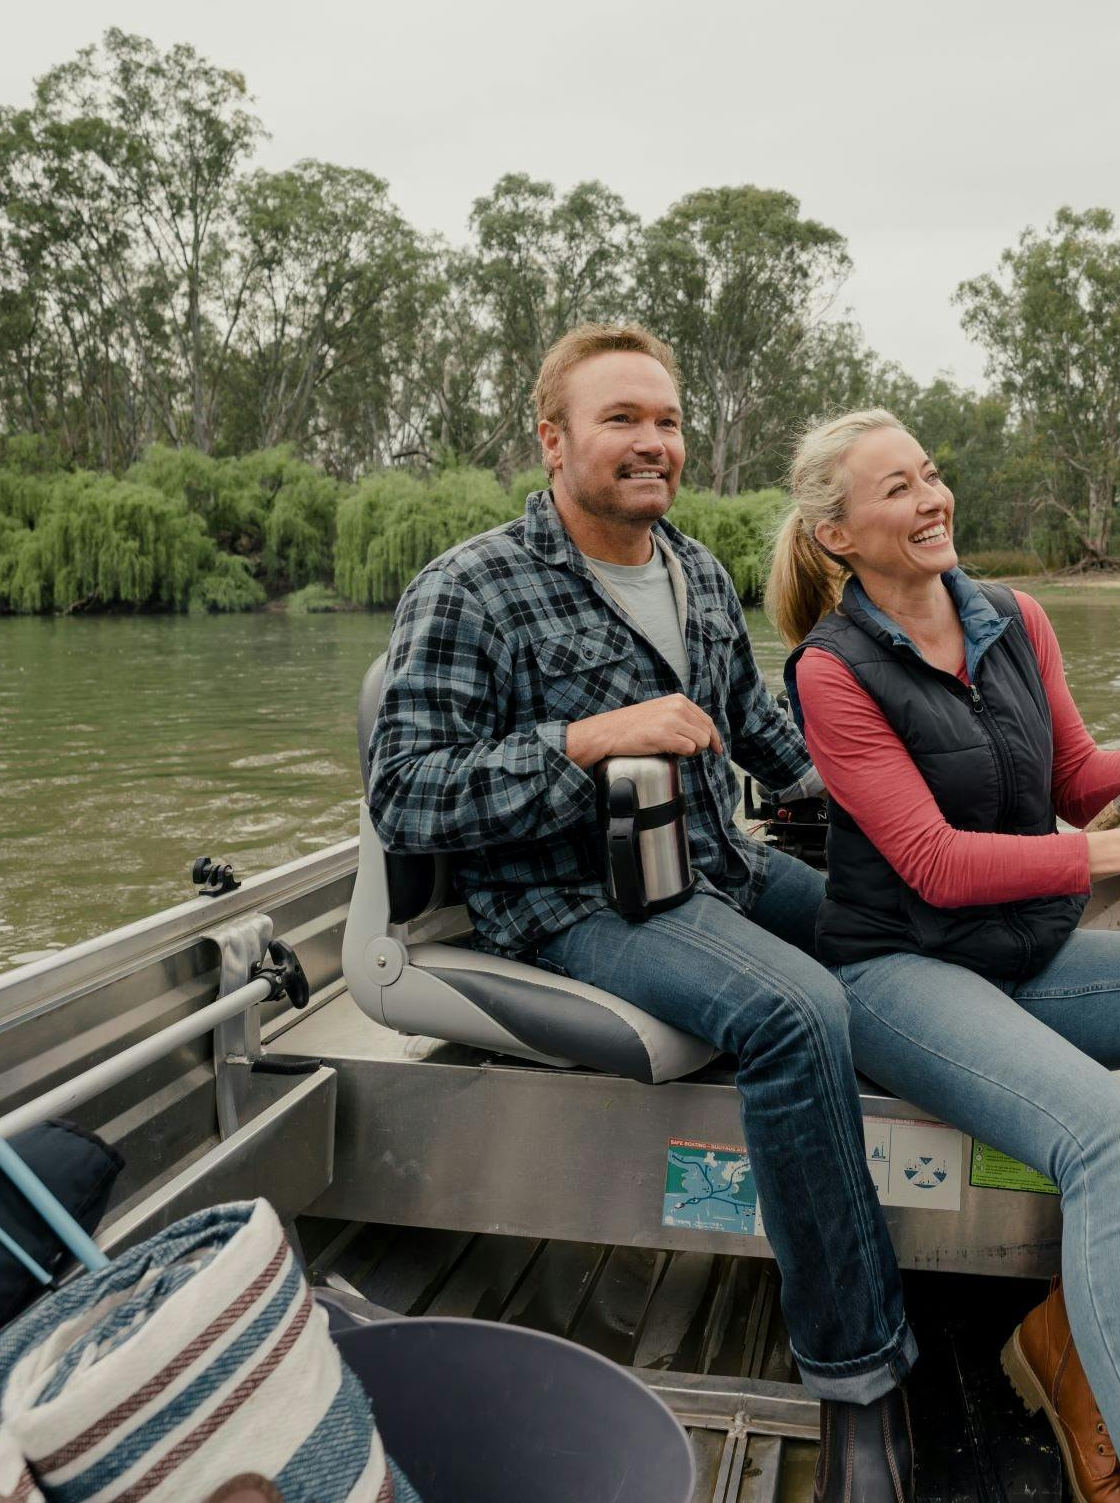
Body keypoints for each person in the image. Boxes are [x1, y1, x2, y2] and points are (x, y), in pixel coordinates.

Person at [367, 327, 915, 1501]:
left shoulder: (698, 571)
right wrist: (585, 739)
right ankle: (858, 1382)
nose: (651, 443)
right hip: (570, 905)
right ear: (552, 437)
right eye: (620, 419)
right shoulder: (470, 588)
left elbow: (772, 746)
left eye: (664, 421)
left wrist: (918, 808)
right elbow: (405, 797)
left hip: (716, 864)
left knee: (907, 923)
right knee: (797, 1011)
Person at [770, 408, 1120, 1503]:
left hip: (1025, 950)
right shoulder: (829, 672)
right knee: (1106, 1139)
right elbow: (929, 862)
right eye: (896, 492)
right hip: (899, 969)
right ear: (837, 537)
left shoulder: (1014, 617)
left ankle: (1069, 1325)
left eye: (930, 476)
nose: (930, 500)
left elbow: (1069, 778)